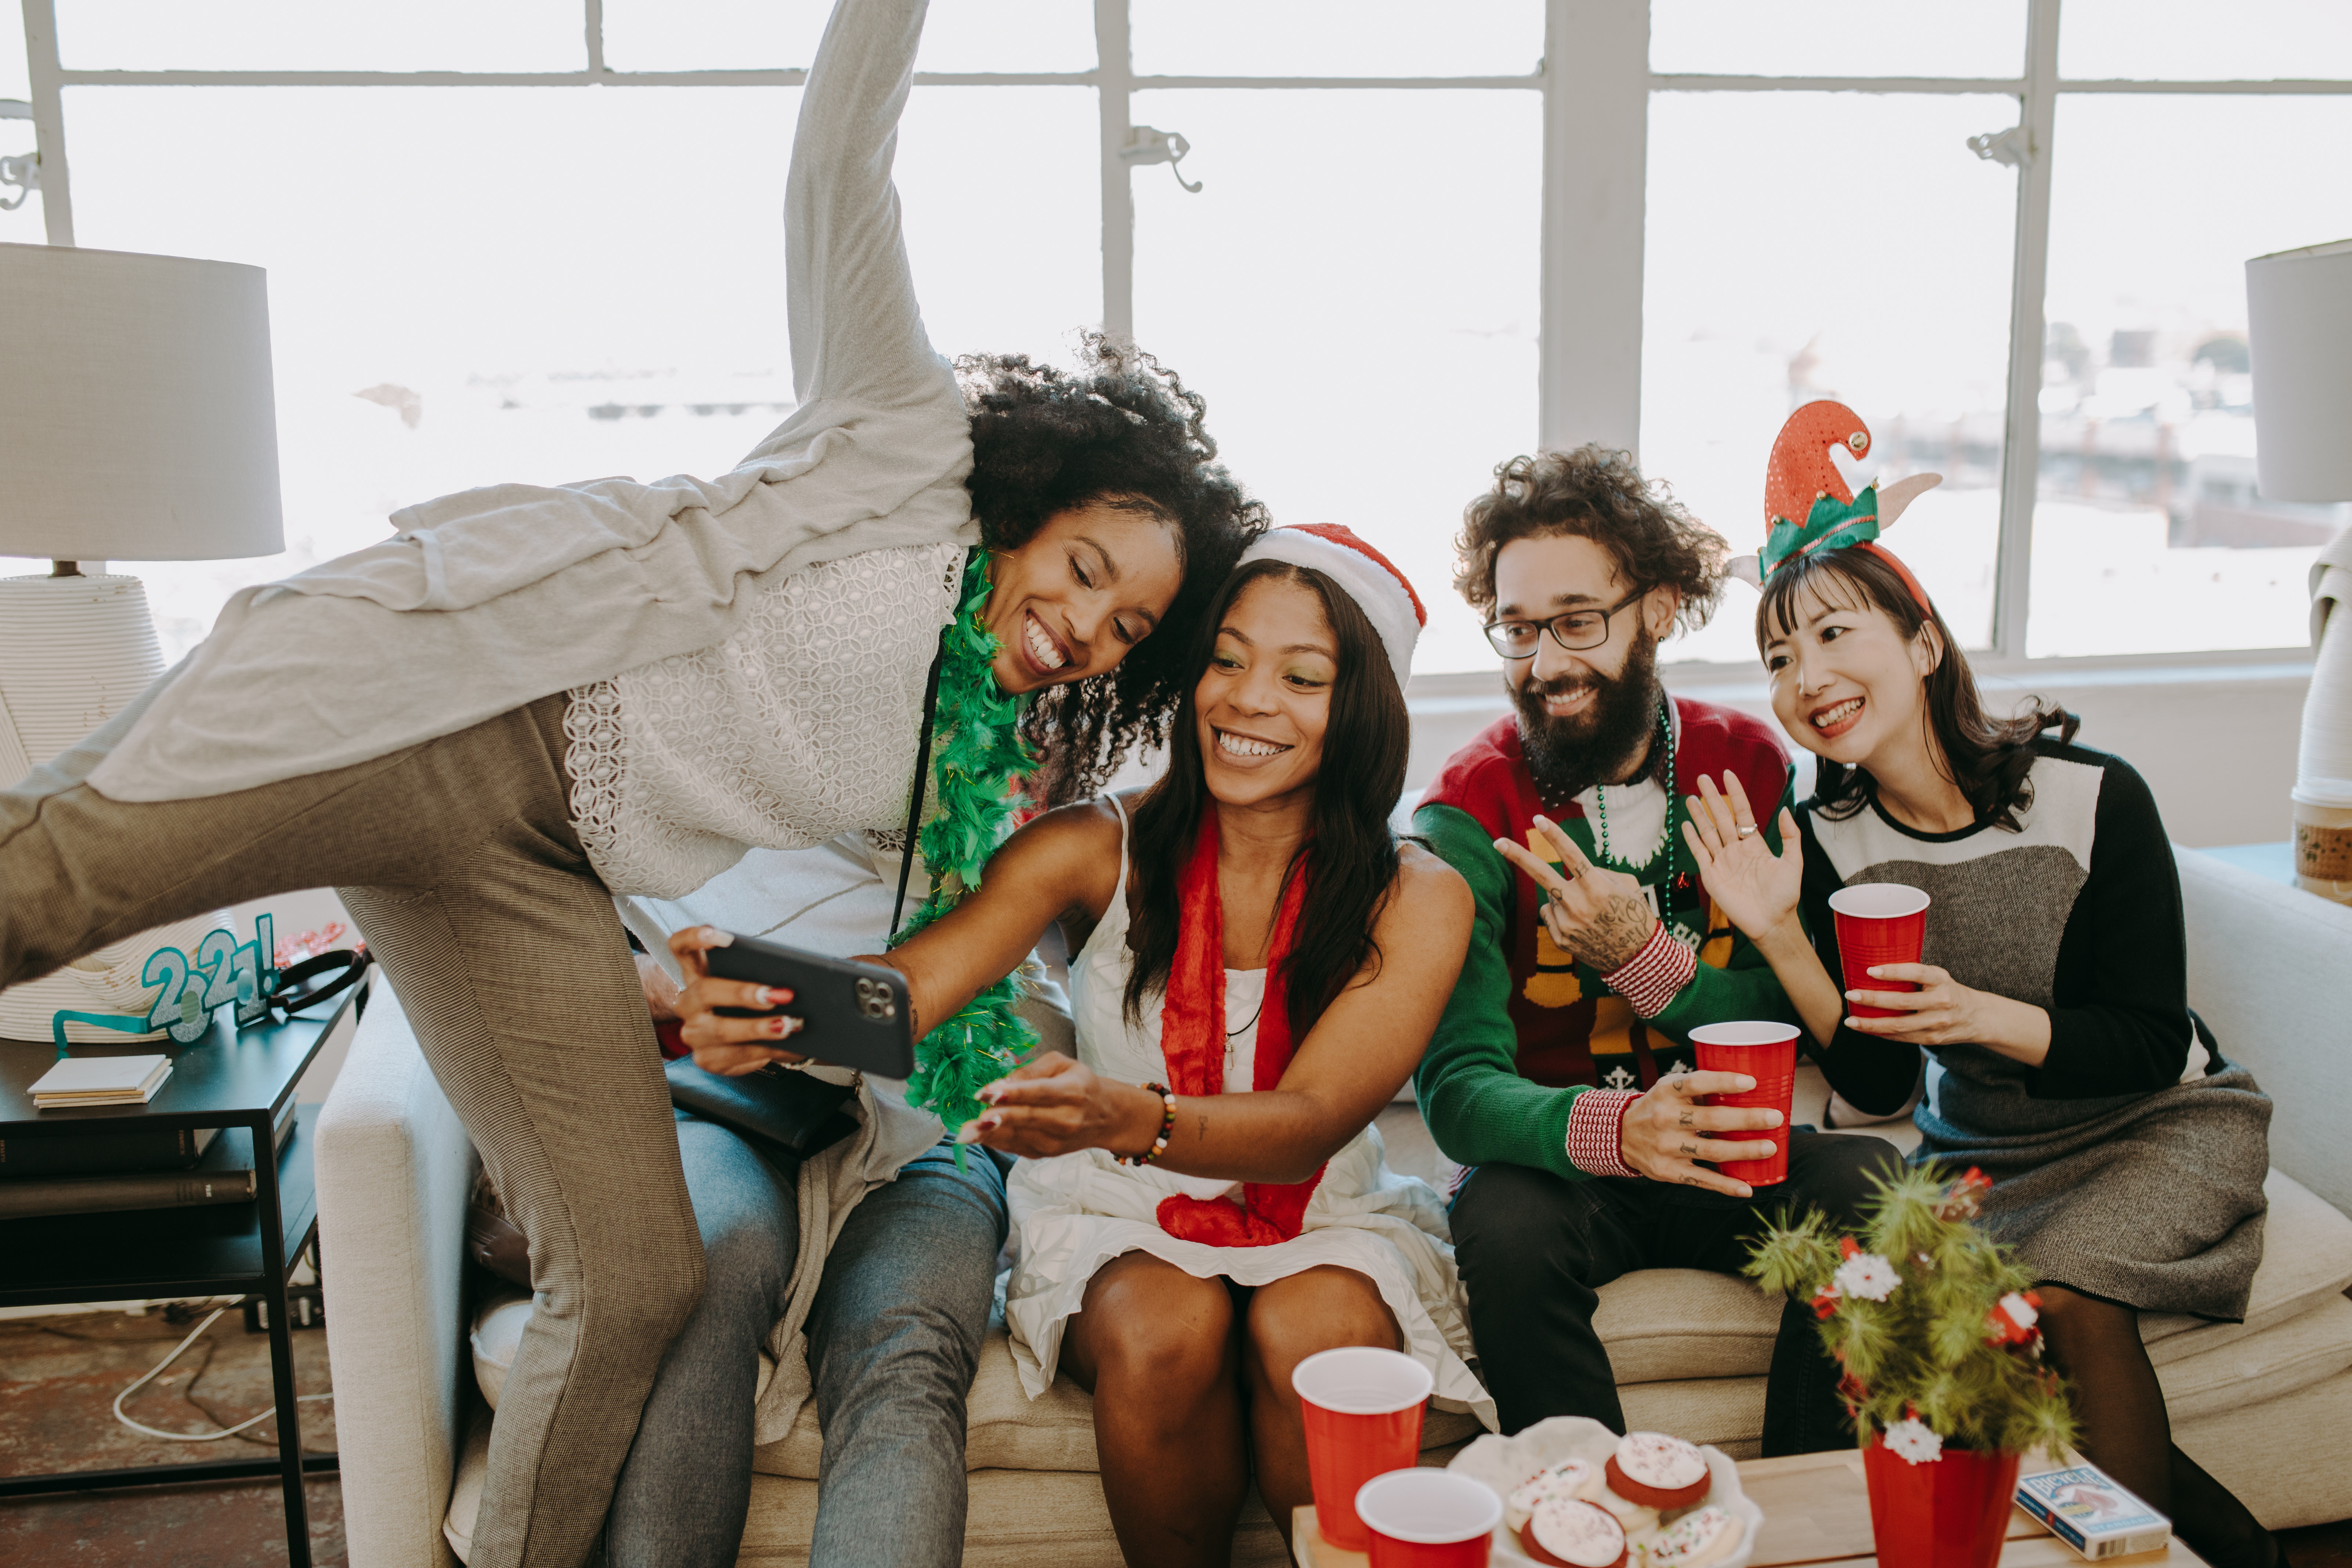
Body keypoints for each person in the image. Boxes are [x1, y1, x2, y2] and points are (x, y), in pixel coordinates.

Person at [0, 1, 1259, 1563]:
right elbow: (837, 167)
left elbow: (904, 968)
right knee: (45, 884)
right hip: (431, 710)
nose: (1084, 628)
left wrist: (722, 996)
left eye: (1126, 630)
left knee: (638, 1272)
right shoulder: (902, 448)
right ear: (1033, 503)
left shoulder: (976, 739)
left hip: (537, 861)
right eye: (1084, 569)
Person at [676, 525, 1487, 1568]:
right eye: (1227, 659)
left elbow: (1308, 1126)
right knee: (1162, 1332)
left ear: (1364, 709)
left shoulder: (1418, 894)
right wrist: (776, 1008)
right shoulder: (1091, 845)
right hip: (1119, 1205)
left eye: (1302, 678)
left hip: (1321, 1208)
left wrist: (1126, 1114)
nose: (1248, 700)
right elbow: (916, 987)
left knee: (1318, 1332)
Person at [1677, 402, 2278, 1568]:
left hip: (2159, 1125)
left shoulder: (2092, 798)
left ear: (1922, 644)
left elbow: (2151, 1041)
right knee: (1936, 1329)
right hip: (1978, 1160)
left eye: (1834, 634)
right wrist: (1784, 938)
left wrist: (1981, 1017)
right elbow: (1877, 1087)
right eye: (1780, 659)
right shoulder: (1824, 840)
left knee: (2065, 1298)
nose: (1806, 676)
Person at [1411, 446, 1903, 1448]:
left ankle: (1802, 1502)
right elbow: (1457, 1090)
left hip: (1731, 1151)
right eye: (1518, 629)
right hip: (1562, 1169)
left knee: (1875, 1184)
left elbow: (1787, 1003)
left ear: (1661, 608)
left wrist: (1647, 964)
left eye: (1579, 621)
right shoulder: (1464, 811)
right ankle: (1587, 1508)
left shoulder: (1748, 763)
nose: (1545, 664)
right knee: (1502, 1226)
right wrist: (1619, 1129)